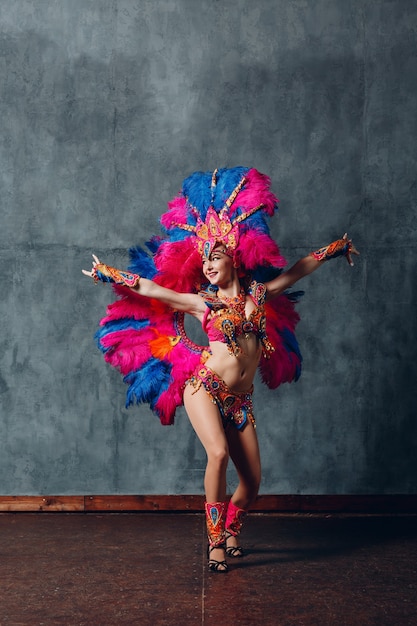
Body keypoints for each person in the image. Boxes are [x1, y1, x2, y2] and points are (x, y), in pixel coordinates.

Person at [82, 166, 359, 573]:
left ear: (234, 258)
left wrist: (332, 250)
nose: (208, 266)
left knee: (252, 486)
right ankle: (214, 543)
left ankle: (231, 532)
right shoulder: (202, 303)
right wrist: (110, 274)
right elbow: (152, 289)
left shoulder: (260, 294)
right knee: (218, 452)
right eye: (205, 260)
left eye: (216, 257)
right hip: (205, 388)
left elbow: (297, 270)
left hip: (242, 400)